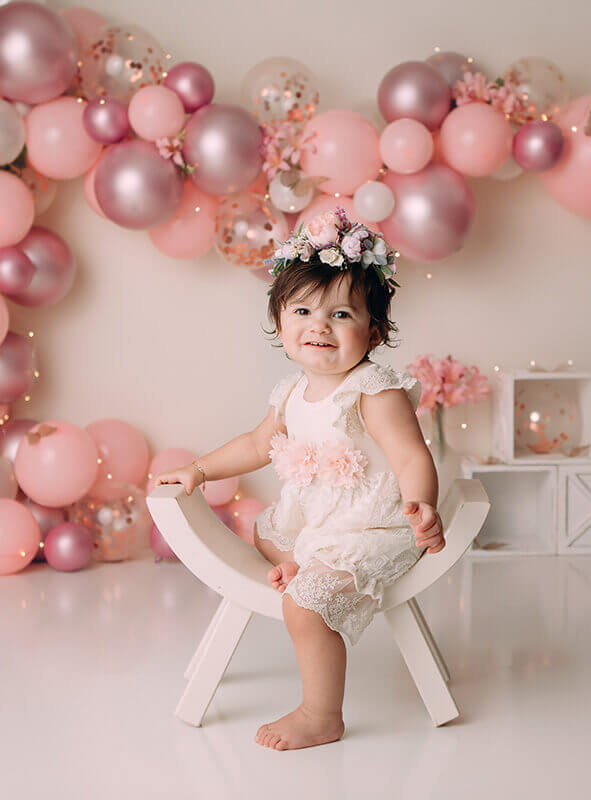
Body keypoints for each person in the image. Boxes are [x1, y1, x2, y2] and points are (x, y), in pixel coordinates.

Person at [153, 207, 445, 750]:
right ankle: (301, 565)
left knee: (303, 606)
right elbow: (254, 444)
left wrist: (422, 503)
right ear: (281, 323)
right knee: (263, 534)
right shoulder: (291, 392)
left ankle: (320, 713)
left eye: (340, 315)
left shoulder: (373, 388)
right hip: (318, 518)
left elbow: (410, 455)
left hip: (372, 527)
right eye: (304, 310)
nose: (318, 326)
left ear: (373, 332)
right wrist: (197, 469)